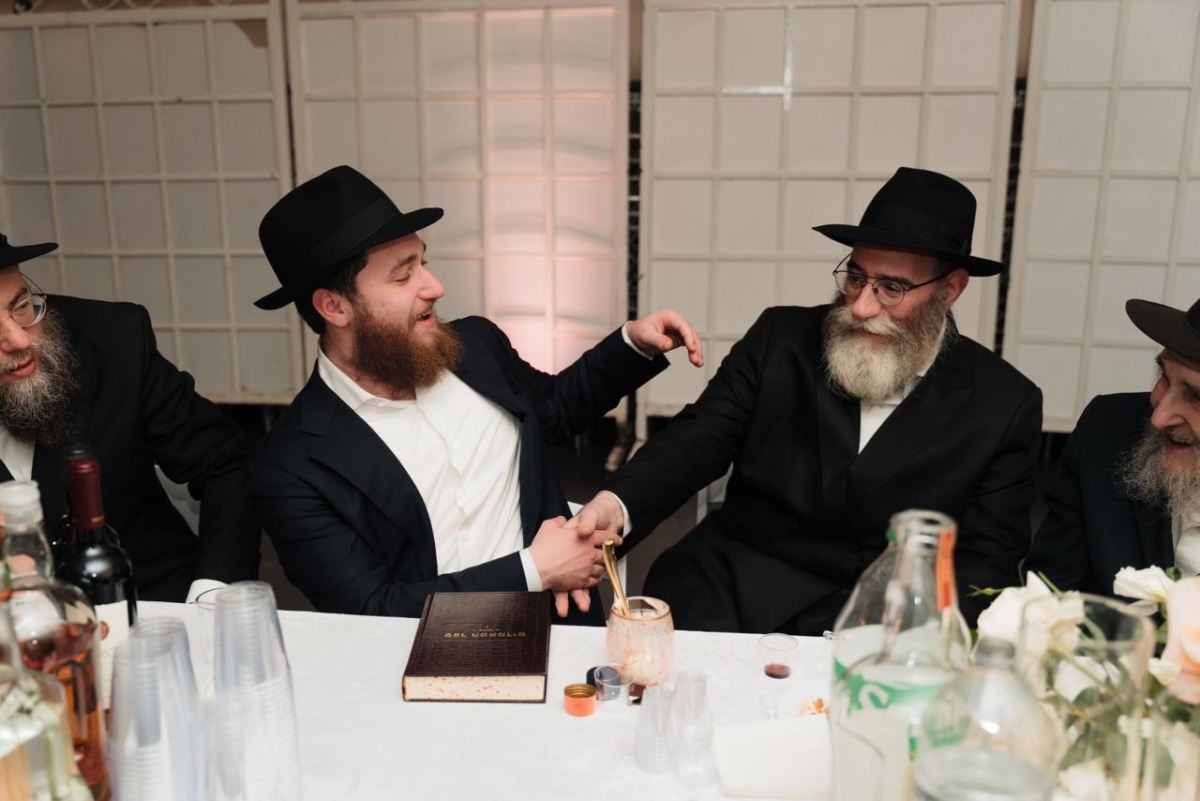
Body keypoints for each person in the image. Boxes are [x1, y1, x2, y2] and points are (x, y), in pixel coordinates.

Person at [566, 167, 1043, 633]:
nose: (862, 306)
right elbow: (697, 439)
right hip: (732, 588)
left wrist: (912, 643)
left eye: (892, 288)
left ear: (950, 289)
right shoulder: (781, 339)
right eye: (856, 277)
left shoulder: (1003, 404)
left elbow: (987, 561)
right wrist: (616, 504)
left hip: (881, 623)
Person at [247, 165, 702, 621]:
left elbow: (555, 409)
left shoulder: (475, 345)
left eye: (423, 262)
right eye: (403, 277)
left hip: (562, 624)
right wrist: (535, 570)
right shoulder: (290, 466)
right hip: (425, 653)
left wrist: (633, 345)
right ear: (334, 306)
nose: (434, 287)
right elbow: (370, 608)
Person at [0, 233, 260, 601]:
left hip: (153, 601)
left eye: (22, 306)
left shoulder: (114, 339)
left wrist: (212, 594)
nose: (19, 340)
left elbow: (225, 465)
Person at [1026, 298, 1200, 592]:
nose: (1159, 417)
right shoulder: (1109, 430)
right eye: (1164, 377)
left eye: (1196, 397)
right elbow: (1051, 595)